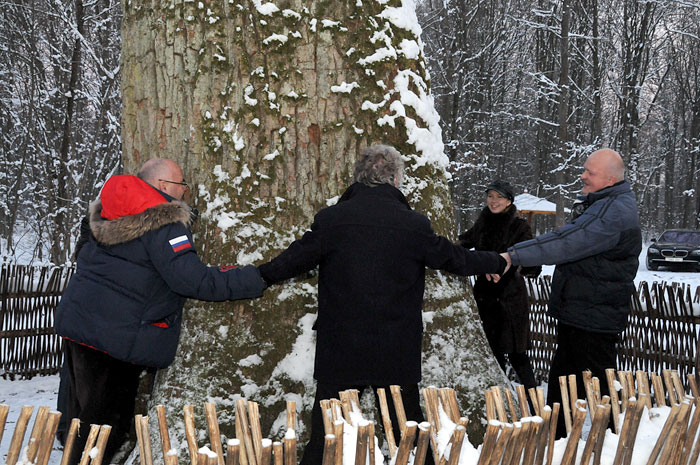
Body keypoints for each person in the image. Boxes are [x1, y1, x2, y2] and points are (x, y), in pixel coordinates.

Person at [257, 144, 510, 465]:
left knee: (324, 437)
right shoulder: (413, 225)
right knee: (412, 437)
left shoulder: (332, 221)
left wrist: (255, 278)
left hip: (341, 350)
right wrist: (497, 262)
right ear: (394, 180)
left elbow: (290, 261)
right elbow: (455, 258)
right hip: (394, 351)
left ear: (359, 178)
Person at [55, 158, 267, 464]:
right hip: (117, 338)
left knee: (82, 420)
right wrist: (252, 278)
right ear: (163, 186)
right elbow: (191, 280)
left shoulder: (107, 208)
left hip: (81, 326)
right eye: (181, 183)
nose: (185, 190)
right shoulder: (164, 222)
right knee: (104, 429)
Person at [501, 148, 642, 437]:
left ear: (610, 179)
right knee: (565, 380)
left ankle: (619, 442)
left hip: (594, 315)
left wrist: (513, 255)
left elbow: (568, 241)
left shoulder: (613, 212)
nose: (583, 175)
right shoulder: (602, 203)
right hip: (581, 312)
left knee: (601, 384)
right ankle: (558, 436)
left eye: (591, 172)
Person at [458, 179, 541, 392]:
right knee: (493, 356)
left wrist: (509, 269)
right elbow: (462, 243)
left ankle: (535, 404)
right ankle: (502, 402)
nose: (494, 201)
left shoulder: (519, 226)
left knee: (517, 354)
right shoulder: (482, 224)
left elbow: (531, 261)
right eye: (490, 196)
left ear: (509, 201)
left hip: (510, 300)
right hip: (485, 299)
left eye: (499, 197)